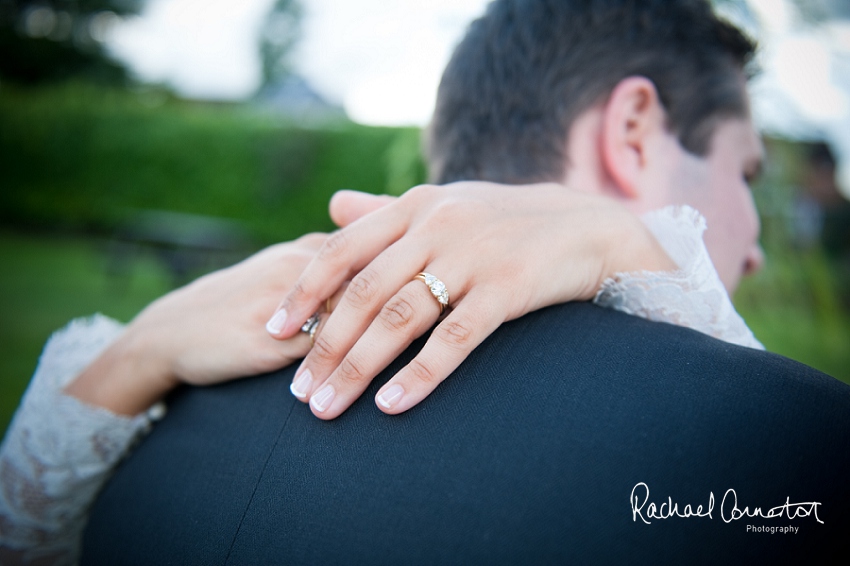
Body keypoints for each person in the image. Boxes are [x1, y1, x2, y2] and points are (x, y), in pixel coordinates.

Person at [2, 0, 848, 563]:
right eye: (746, 170)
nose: (757, 248)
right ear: (632, 131)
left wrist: (128, 356)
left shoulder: (146, 429)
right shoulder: (793, 446)